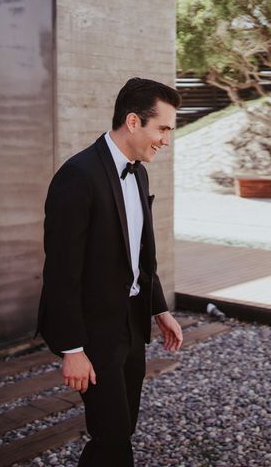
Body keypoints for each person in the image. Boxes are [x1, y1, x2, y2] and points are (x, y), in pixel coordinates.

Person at [36, 78, 184, 466]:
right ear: (133, 122)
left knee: (120, 430)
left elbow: (140, 254)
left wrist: (159, 309)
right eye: (163, 129)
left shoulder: (139, 171)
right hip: (93, 333)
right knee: (112, 433)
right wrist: (71, 349)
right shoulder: (78, 176)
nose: (166, 140)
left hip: (133, 326)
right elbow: (61, 273)